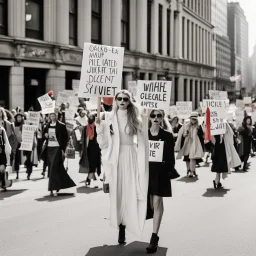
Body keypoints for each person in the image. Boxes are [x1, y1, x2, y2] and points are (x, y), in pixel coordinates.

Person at [96, 90, 149, 243]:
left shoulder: (135, 118)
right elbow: (103, 144)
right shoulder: (108, 117)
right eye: (119, 98)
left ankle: (126, 225)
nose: (122, 101)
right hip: (115, 157)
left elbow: (143, 140)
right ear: (115, 101)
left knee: (129, 192)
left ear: (129, 101)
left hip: (131, 155)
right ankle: (121, 226)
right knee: (117, 193)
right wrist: (100, 129)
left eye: (125, 99)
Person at [146, 109, 175, 253]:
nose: (156, 118)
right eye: (153, 115)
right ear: (149, 118)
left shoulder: (168, 136)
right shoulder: (143, 134)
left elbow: (171, 158)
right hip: (147, 173)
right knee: (153, 204)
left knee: (157, 202)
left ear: (163, 118)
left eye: (159, 115)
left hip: (161, 173)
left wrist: (167, 170)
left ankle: (154, 238)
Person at [43, 112, 76, 196]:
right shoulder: (47, 125)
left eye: (54, 115)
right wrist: (45, 135)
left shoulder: (61, 125)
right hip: (49, 148)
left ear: (56, 116)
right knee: (52, 168)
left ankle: (52, 188)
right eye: (51, 116)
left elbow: (65, 137)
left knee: (53, 167)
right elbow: (44, 135)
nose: (52, 117)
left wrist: (63, 148)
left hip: (57, 148)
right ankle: (56, 185)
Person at [211, 123, 241, 188]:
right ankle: (217, 181)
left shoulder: (219, 124)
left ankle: (217, 181)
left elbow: (230, 133)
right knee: (220, 164)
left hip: (220, 148)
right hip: (221, 148)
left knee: (219, 165)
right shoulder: (220, 124)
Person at [175, 112, 204, 178]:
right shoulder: (186, 125)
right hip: (187, 144)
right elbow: (182, 134)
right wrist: (185, 135)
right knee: (187, 158)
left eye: (195, 119)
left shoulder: (199, 126)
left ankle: (192, 171)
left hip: (195, 144)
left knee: (192, 158)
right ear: (190, 119)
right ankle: (190, 170)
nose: (193, 120)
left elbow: (202, 136)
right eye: (192, 119)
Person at [79, 113, 101, 188]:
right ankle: (88, 179)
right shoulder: (94, 127)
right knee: (93, 164)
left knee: (92, 164)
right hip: (93, 148)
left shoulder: (87, 127)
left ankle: (91, 178)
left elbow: (85, 140)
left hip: (91, 149)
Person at [0, 126, 12, 191]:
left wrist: (8, 151)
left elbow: (6, 141)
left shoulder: (1, 130)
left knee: (2, 168)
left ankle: (3, 184)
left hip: (1, 153)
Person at [13, 113, 24, 179]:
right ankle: (17, 173)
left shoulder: (24, 124)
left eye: (20, 117)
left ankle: (28, 171)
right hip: (16, 143)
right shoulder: (13, 124)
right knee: (17, 158)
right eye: (18, 117)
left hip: (23, 142)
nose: (19, 118)